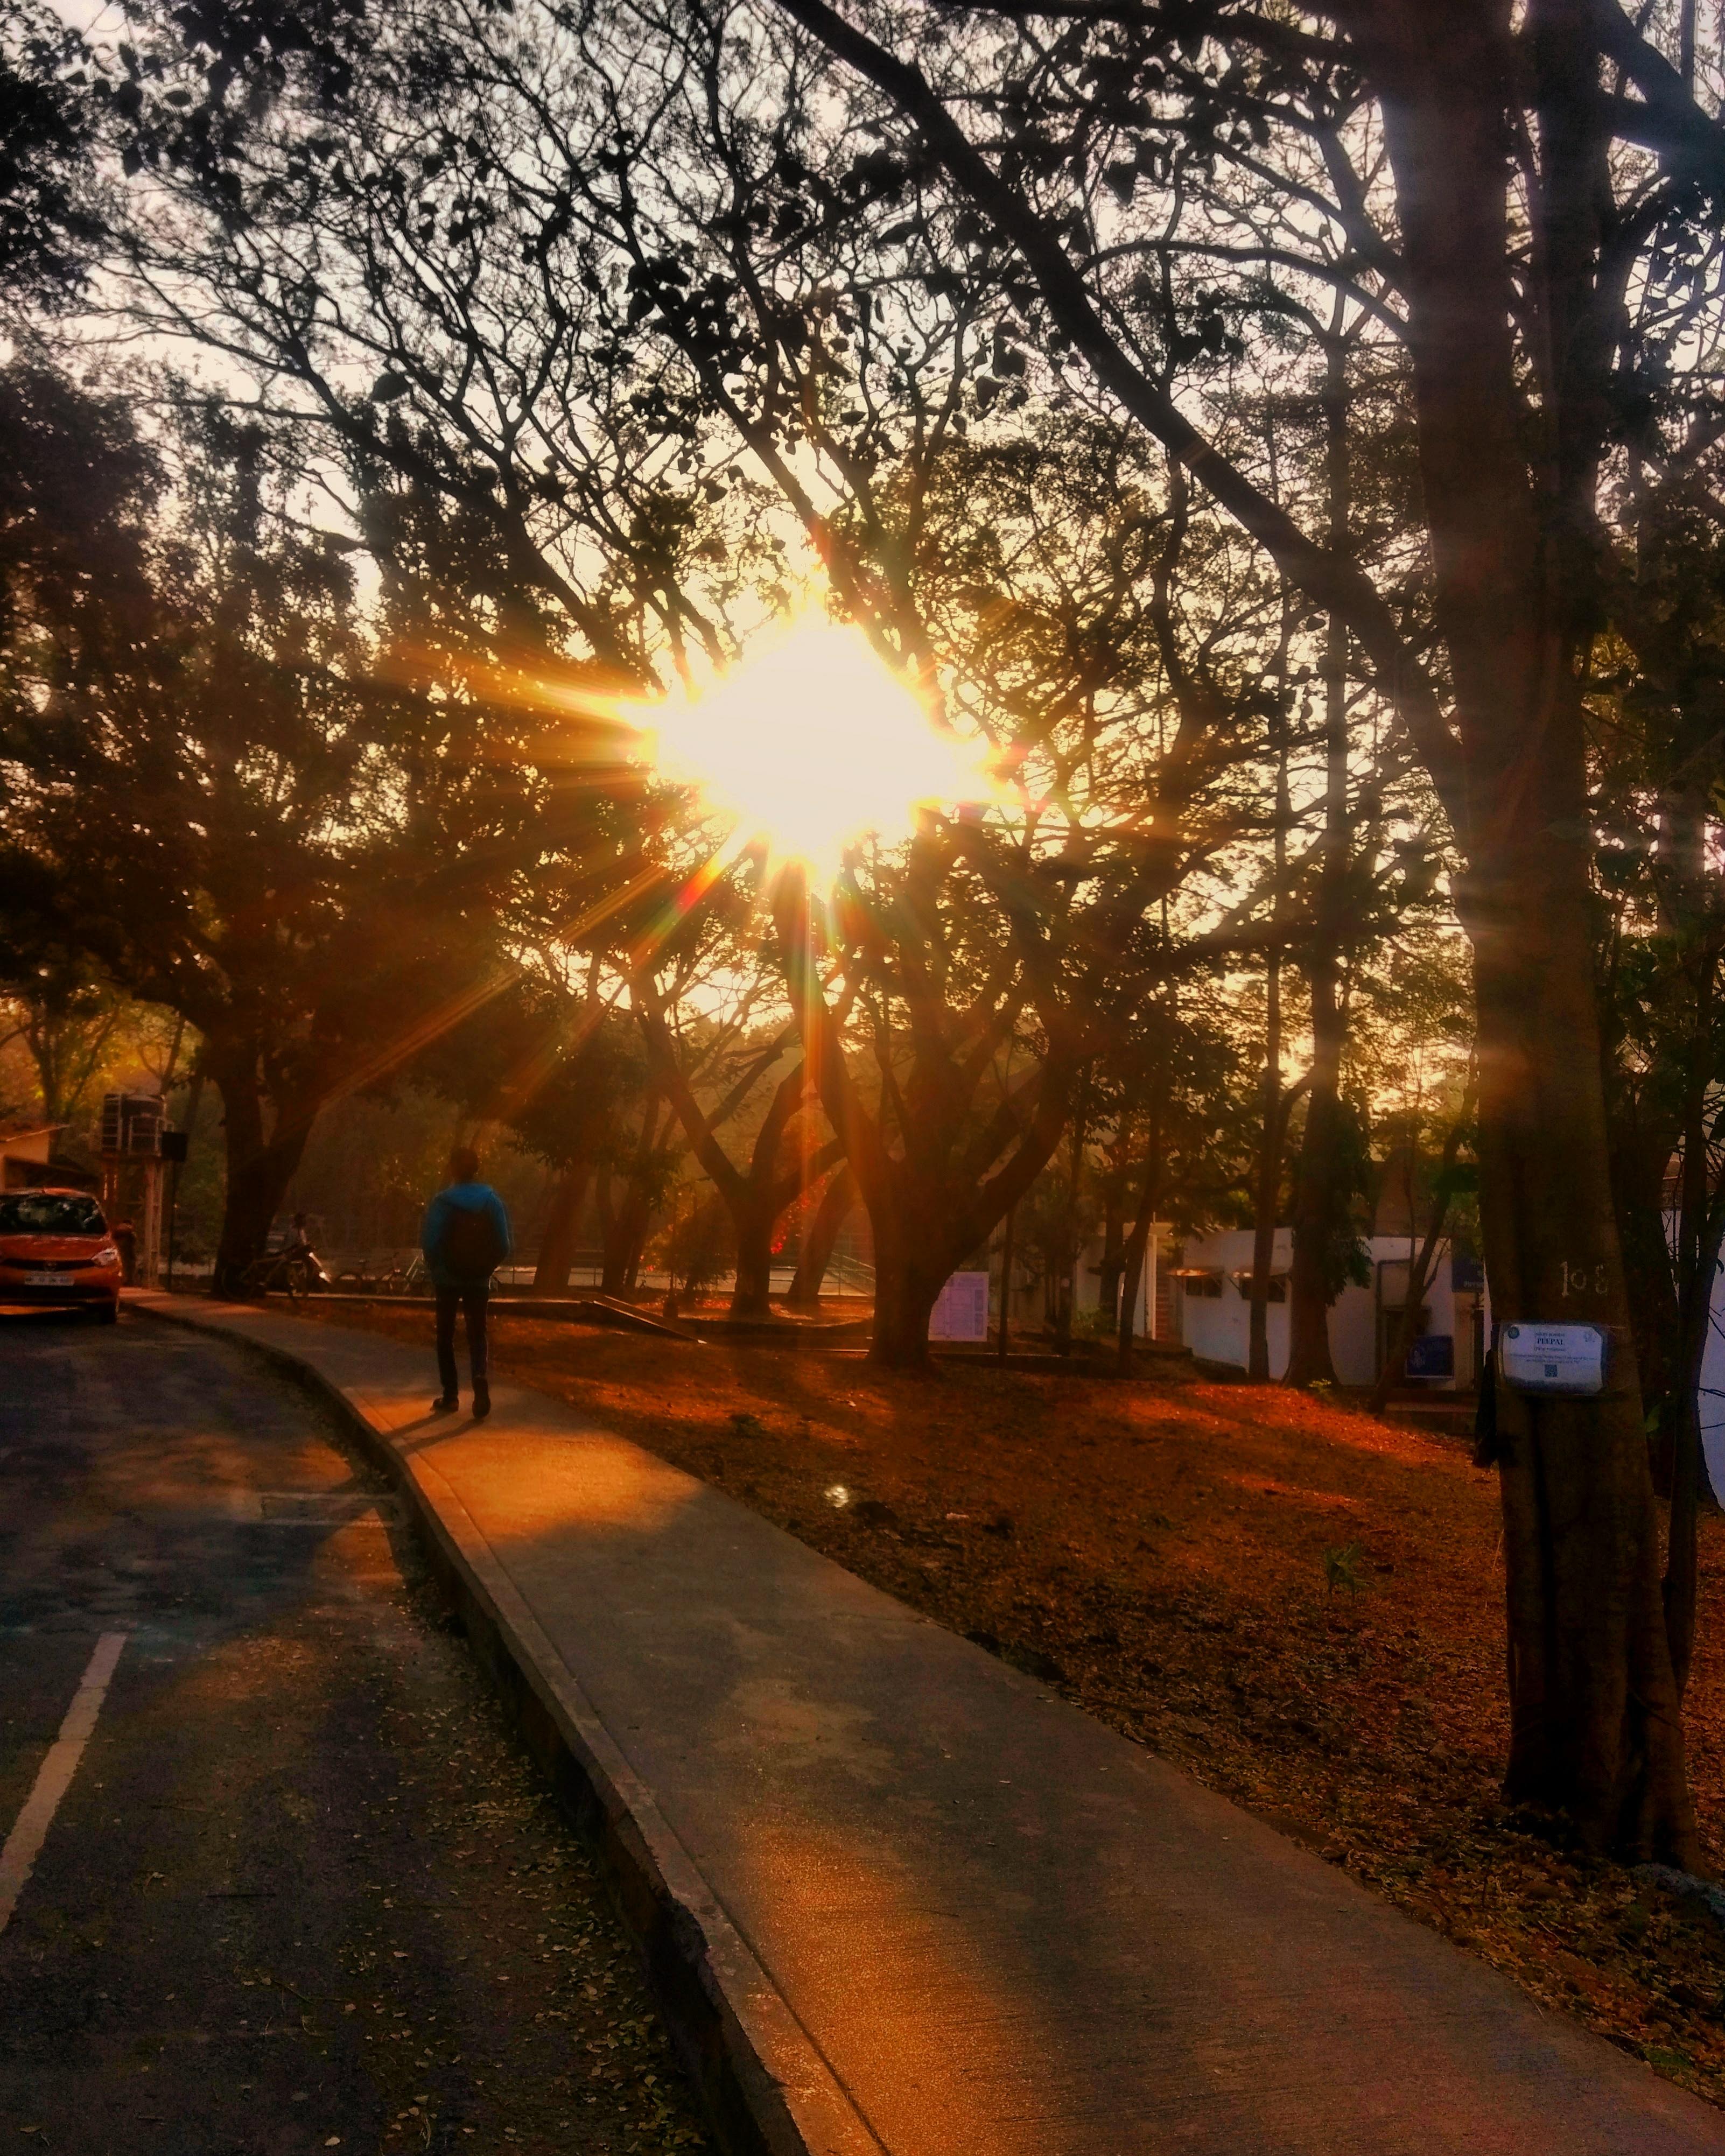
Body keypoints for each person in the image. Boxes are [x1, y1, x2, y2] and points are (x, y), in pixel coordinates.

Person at [421, 1146, 512, 1419]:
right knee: (477, 1333)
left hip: (446, 1278)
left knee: (445, 1335)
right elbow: (504, 1244)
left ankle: (450, 1396)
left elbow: (430, 1242)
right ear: (477, 1169)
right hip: (479, 1280)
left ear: (452, 1168)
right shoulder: (492, 1201)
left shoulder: (442, 1202)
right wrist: (486, 1268)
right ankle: (479, 1376)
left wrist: (437, 1268)